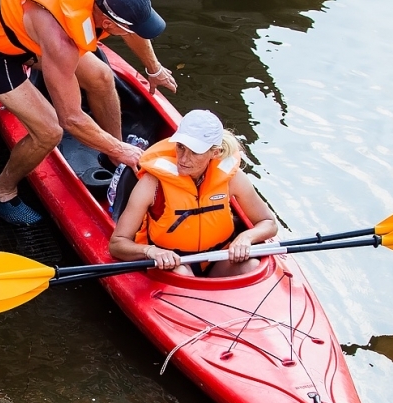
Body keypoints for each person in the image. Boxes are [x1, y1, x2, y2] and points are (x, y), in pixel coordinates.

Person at [0, 0, 178, 226]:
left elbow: (135, 27)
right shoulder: (60, 41)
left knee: (102, 77)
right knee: (49, 131)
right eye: (125, 30)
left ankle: (114, 158)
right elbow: (71, 118)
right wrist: (123, 148)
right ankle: (1, 193)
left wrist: (154, 68)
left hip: (22, 19)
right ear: (108, 24)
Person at [109, 109, 277, 278]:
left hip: (219, 259)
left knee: (252, 267)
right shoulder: (152, 183)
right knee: (182, 274)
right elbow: (117, 244)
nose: (183, 159)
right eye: (180, 147)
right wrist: (150, 251)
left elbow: (268, 223)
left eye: (195, 152)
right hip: (173, 265)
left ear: (215, 153)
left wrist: (247, 237)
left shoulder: (232, 178)